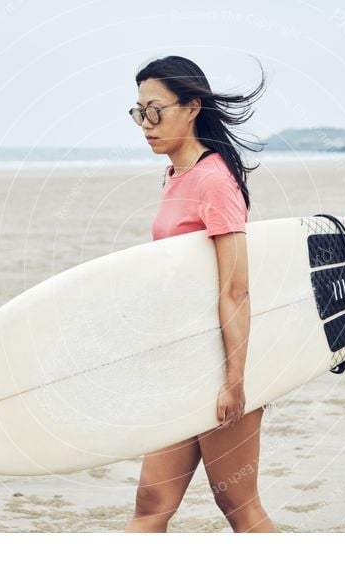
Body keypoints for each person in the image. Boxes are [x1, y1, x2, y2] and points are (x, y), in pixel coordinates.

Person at [123, 55, 277, 533]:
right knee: (152, 503)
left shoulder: (214, 179)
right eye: (138, 112)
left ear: (191, 108)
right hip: (179, 362)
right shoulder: (175, 175)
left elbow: (235, 287)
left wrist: (234, 379)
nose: (146, 124)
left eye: (156, 111)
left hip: (218, 367)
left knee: (238, 506)